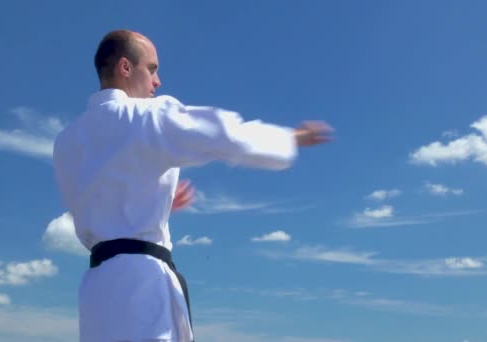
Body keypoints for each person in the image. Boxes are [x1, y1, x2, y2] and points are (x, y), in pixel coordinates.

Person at [52, 29, 333, 342]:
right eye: (152, 69)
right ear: (125, 68)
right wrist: (289, 138)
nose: (157, 81)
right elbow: (223, 134)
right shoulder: (144, 116)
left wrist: (156, 203)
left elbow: (101, 198)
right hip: (142, 285)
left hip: (96, 293)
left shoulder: (66, 141)